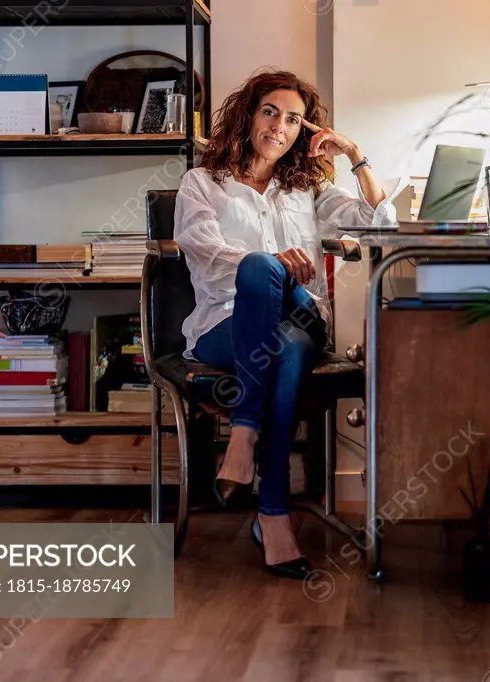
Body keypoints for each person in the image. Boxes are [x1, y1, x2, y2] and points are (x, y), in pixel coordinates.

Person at [173, 69, 395, 579]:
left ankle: (242, 436)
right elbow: (206, 256)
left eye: (293, 119)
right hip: (223, 324)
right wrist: (272, 262)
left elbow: (381, 224)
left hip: (302, 311)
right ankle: (273, 517)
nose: (279, 125)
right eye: (270, 111)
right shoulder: (201, 184)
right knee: (280, 328)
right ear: (248, 115)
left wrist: (354, 153)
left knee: (279, 300)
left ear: (304, 131)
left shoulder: (309, 190)